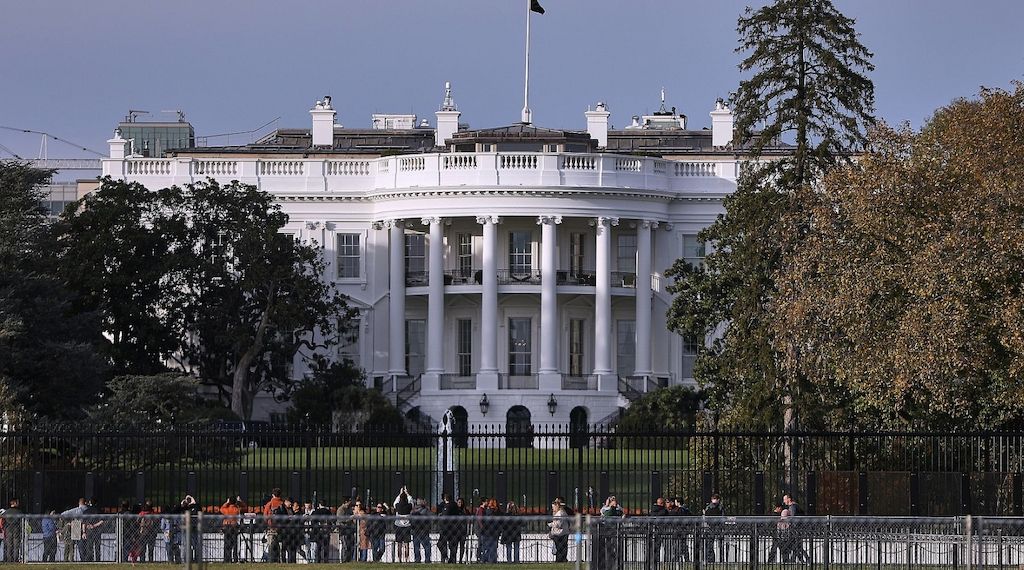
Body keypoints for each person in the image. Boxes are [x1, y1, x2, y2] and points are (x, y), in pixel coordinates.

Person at [599, 495, 625, 570]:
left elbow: (603, 511)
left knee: (614, 548)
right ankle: (611, 562)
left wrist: (608, 504)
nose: (615, 505)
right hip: (609, 531)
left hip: (614, 531)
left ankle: (614, 562)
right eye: (613, 504)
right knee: (609, 548)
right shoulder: (610, 510)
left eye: (615, 504)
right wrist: (609, 505)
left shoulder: (613, 510)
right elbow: (606, 512)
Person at [783, 493, 809, 563]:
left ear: (789, 499)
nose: (784, 501)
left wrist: (788, 523)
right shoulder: (795, 506)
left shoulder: (793, 507)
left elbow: (793, 518)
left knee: (795, 546)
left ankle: (806, 559)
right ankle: (801, 560)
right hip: (798, 529)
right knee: (796, 546)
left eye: (785, 499)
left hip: (796, 529)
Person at [262, 488, 286, 562]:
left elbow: (265, 517)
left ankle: (271, 560)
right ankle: (281, 560)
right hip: (281, 528)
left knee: (271, 545)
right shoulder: (283, 504)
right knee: (280, 545)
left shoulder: (269, 504)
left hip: (271, 527)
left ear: (273, 495)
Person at [437, 493, 460, 563]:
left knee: (440, 544)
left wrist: (440, 516)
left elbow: (445, 515)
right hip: (453, 528)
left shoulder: (447, 506)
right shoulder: (454, 505)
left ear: (445, 498)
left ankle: (446, 557)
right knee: (452, 545)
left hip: (446, 528)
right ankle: (451, 559)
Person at [702, 493, 724, 563]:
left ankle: (721, 559)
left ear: (718, 500)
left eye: (715, 499)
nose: (714, 500)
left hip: (717, 527)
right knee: (709, 545)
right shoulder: (709, 507)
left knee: (720, 545)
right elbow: (706, 517)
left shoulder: (720, 507)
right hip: (710, 527)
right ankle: (710, 560)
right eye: (713, 499)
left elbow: (722, 518)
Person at [393, 487, 413, 563]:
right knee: (406, 544)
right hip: (407, 526)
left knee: (399, 544)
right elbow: (411, 501)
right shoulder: (409, 506)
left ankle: (399, 559)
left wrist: (400, 493)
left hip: (399, 526)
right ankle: (407, 559)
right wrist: (407, 494)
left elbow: (394, 503)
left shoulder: (398, 505)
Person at [410, 497, 432, 563]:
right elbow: (431, 517)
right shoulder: (426, 510)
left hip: (415, 530)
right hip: (424, 530)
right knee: (427, 546)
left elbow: (410, 520)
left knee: (416, 546)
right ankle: (427, 559)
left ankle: (417, 559)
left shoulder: (413, 511)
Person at [221, 496, 243, 563]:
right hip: (234, 527)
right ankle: (235, 558)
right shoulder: (237, 509)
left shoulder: (226, 509)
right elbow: (244, 507)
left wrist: (226, 502)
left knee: (227, 544)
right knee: (234, 544)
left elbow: (221, 508)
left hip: (227, 527)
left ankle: (227, 559)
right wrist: (240, 502)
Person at [548, 498, 570, 563]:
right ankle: (561, 560)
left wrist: (551, 525)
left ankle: (560, 560)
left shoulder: (560, 513)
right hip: (562, 532)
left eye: (553, 507)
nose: (552, 509)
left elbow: (558, 524)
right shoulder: (560, 513)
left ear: (557, 506)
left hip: (560, 533)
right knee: (561, 548)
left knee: (560, 548)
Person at [336, 497, 357, 563]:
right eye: (349, 502)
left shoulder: (349, 509)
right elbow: (340, 519)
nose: (350, 503)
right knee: (345, 546)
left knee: (351, 545)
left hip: (350, 530)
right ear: (345, 502)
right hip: (343, 530)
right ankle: (344, 560)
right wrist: (350, 518)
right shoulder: (341, 509)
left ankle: (349, 559)